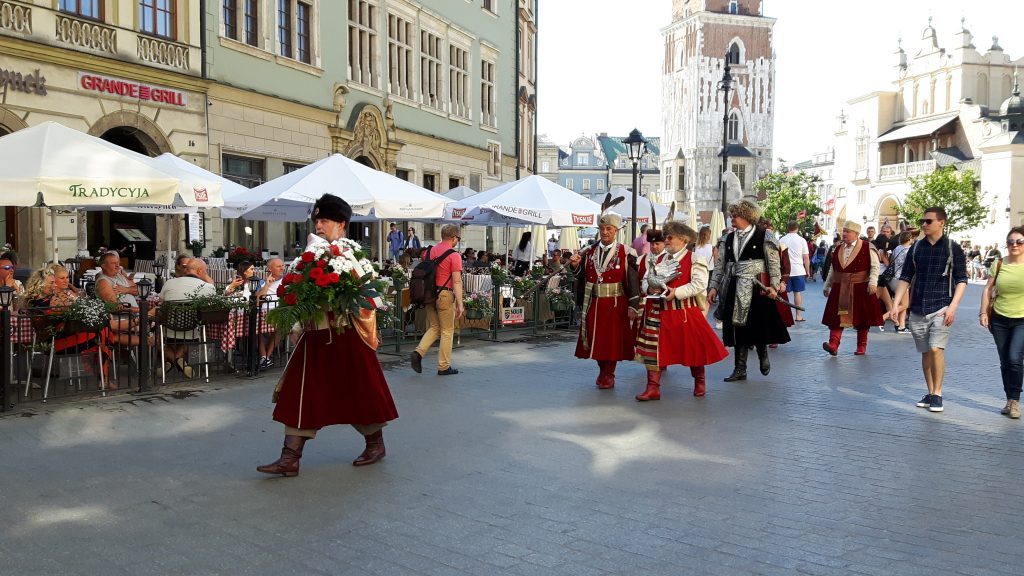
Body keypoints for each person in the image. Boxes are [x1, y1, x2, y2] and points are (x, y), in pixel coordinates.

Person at [258, 194, 398, 476]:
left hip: (348, 336)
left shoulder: (352, 256)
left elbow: (369, 298)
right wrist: (297, 324)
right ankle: (290, 458)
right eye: (317, 220)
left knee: (362, 392)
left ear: (341, 224)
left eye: (324, 221)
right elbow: (295, 291)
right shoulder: (307, 257)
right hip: (316, 336)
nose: (318, 226)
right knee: (300, 392)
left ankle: (375, 444)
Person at [635, 222, 727, 400]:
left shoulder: (695, 258)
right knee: (653, 351)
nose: (666, 240)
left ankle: (699, 381)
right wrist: (650, 289)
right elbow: (646, 279)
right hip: (659, 311)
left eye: (670, 237)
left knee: (694, 350)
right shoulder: (658, 258)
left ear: (683, 239)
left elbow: (699, 284)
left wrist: (676, 292)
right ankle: (653, 387)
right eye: (666, 237)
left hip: (684, 311)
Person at [890, 207, 968, 413]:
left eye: (928, 221)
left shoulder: (952, 247)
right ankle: (930, 392)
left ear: (941, 222)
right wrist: (896, 303)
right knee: (926, 352)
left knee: (936, 349)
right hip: (918, 308)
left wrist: (953, 306)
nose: (924, 224)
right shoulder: (916, 249)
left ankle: (938, 393)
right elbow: (905, 277)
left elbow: (961, 279)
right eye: (923, 221)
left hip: (942, 306)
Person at [708, 199, 790, 382]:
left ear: (746, 216)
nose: (731, 219)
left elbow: (774, 265)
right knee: (737, 328)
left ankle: (763, 354)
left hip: (757, 288)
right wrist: (713, 286)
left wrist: (774, 286)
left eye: (734, 216)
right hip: (734, 286)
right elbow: (720, 266)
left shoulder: (764, 236)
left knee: (757, 325)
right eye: (731, 216)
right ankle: (740, 368)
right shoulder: (727, 238)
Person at [569, 210, 640, 390]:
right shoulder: (589, 251)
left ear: (616, 230)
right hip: (594, 302)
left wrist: (633, 305)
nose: (605, 232)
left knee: (612, 341)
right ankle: (602, 368)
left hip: (616, 303)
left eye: (609, 229)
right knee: (595, 339)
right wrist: (575, 266)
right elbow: (582, 276)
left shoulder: (626, 252)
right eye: (602, 229)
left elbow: (632, 281)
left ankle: (608, 373)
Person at [821, 221, 884, 355]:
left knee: (862, 318)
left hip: (860, 287)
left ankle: (861, 346)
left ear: (856, 234)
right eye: (843, 231)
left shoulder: (868, 247)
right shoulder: (838, 248)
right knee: (836, 318)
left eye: (847, 232)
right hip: (840, 287)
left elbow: (875, 266)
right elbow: (833, 269)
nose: (844, 234)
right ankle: (833, 344)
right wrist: (827, 285)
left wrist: (872, 282)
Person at [980, 227, 1024, 419]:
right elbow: (988, 288)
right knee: (1005, 360)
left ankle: (1015, 401)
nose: (1014, 245)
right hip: (999, 318)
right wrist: (983, 312)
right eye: (1011, 242)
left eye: (1019, 242)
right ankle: (1009, 399)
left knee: (1015, 358)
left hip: (1022, 319)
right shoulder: (999, 264)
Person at [411, 224, 465, 376]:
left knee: (435, 327)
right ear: (454, 238)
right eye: (458, 238)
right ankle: (443, 366)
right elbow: (457, 282)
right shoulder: (454, 255)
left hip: (428, 294)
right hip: (444, 294)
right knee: (448, 330)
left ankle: (418, 352)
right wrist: (460, 304)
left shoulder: (429, 252)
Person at [158, 258, 216, 378]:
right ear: (200, 271)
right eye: (205, 271)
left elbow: (161, 303)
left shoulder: (169, 283)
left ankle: (171, 360)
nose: (206, 273)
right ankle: (178, 358)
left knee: (155, 337)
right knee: (197, 333)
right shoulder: (207, 287)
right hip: (191, 330)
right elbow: (210, 306)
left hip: (167, 330)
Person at [254, 257, 284, 369]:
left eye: (282, 266)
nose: (282, 268)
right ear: (270, 269)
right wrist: (267, 285)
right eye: (278, 266)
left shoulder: (287, 281)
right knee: (254, 327)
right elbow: (258, 300)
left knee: (280, 327)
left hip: (278, 312)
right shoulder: (262, 282)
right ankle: (264, 357)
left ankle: (266, 356)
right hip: (262, 312)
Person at [779, 221, 810, 322]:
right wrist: (808, 271)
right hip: (798, 270)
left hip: (785, 271)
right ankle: (798, 315)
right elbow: (806, 257)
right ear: (797, 228)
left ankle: (785, 316)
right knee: (797, 293)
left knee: (784, 294)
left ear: (787, 228)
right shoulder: (801, 240)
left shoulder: (782, 239)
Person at [886, 231, 916, 333]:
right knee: (904, 305)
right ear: (909, 239)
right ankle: (883, 317)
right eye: (912, 238)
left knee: (902, 303)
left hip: (893, 279)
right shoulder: (909, 251)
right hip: (902, 280)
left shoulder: (897, 248)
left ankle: (901, 326)